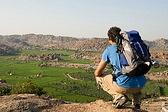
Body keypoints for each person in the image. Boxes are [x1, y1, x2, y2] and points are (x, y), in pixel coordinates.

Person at [94, 26, 147, 111]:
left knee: (99, 77)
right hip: (140, 84)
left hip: (124, 86)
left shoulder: (109, 49)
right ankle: (137, 103)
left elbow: (97, 73)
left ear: (110, 38)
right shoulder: (132, 48)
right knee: (134, 74)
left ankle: (118, 96)